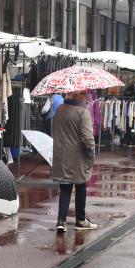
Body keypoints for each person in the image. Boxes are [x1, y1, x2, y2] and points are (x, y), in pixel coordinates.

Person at [52, 90, 98, 232]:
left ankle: (61, 221)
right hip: (78, 157)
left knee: (65, 188)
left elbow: (54, 130)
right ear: (77, 95)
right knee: (80, 186)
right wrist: (91, 153)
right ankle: (80, 220)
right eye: (85, 94)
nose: (88, 97)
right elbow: (87, 138)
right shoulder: (83, 113)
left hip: (61, 155)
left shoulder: (60, 109)